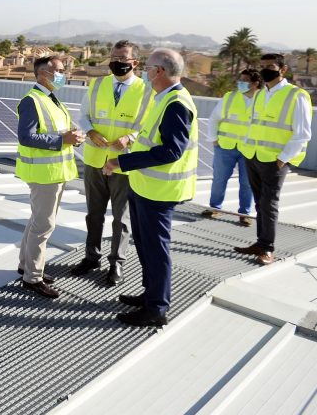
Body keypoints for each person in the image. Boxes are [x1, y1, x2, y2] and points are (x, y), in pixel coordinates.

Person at [103, 48, 197, 327]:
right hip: (145, 187)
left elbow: (171, 151)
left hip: (160, 192)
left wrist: (122, 162)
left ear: (159, 72)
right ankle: (150, 294)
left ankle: (156, 309)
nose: (144, 71)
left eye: (147, 67)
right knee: (145, 245)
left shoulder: (176, 103)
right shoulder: (163, 98)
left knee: (156, 250)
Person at [72, 40, 151, 286]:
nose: (116, 63)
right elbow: (83, 115)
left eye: (123, 59)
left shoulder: (147, 91)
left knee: (121, 219)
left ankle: (116, 264)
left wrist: (131, 137)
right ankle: (91, 257)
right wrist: (90, 131)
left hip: (123, 163)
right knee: (94, 214)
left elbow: (147, 125)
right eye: (114, 58)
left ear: (135, 63)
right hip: (95, 159)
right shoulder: (97, 85)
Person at [16, 55, 84, 299]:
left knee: (37, 221)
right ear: (42, 74)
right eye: (59, 71)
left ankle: (26, 266)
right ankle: (32, 278)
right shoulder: (32, 101)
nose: (63, 75)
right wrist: (62, 140)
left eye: (64, 70)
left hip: (54, 173)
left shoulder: (51, 99)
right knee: (44, 226)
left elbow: (52, 130)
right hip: (43, 174)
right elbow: (26, 137)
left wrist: (71, 135)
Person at [235, 54, 313, 265]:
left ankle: (267, 248)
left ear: (283, 69)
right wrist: (245, 149)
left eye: (270, 66)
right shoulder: (260, 94)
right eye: (262, 67)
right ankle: (260, 242)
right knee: (260, 203)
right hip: (253, 156)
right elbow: (253, 124)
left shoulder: (296, 95)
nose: (265, 70)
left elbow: (302, 133)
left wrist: (282, 159)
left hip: (274, 160)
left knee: (269, 204)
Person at [202, 69, 260, 225]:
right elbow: (214, 118)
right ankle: (214, 208)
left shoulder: (263, 101)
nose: (240, 83)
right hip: (225, 147)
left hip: (249, 149)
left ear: (255, 83)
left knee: (247, 182)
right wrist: (214, 140)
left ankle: (245, 214)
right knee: (219, 179)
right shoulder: (230, 97)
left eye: (245, 80)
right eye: (239, 80)